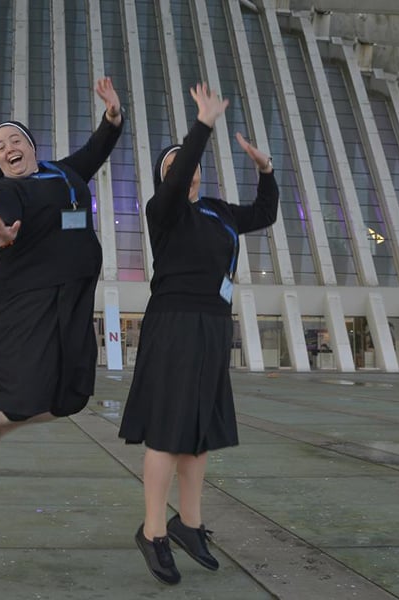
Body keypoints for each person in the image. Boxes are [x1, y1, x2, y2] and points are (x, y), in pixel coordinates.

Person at [118, 83, 278, 585]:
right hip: (175, 322)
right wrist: (203, 125)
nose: (187, 175)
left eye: (190, 169)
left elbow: (266, 213)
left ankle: (188, 524)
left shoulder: (218, 210)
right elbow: (180, 169)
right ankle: (153, 532)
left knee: (198, 434)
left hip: (213, 324)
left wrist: (266, 171)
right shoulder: (162, 211)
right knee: (168, 431)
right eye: (176, 169)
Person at [0, 77, 123, 467]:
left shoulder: (64, 173)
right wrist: (2, 233)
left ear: (31, 146)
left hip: (73, 293)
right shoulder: (5, 190)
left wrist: (112, 116)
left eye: (14, 140)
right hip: (25, 298)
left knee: (71, 395)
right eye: (0, 147)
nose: (8, 149)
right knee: (25, 386)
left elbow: (97, 148)